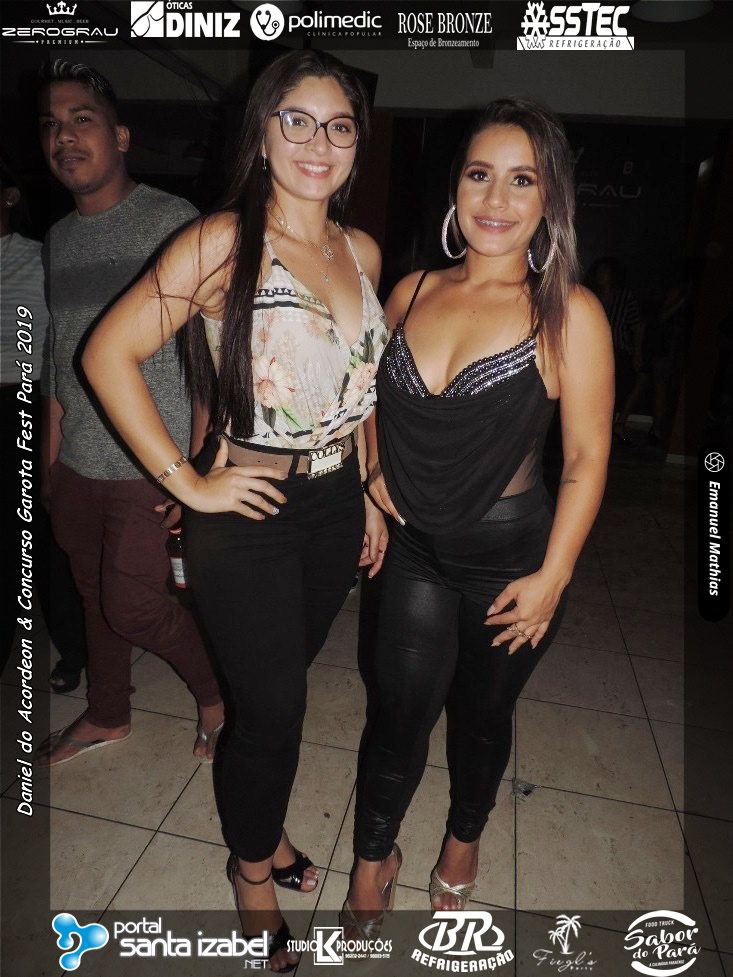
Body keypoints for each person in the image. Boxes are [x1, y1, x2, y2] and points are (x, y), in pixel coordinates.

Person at [82, 50, 390, 972]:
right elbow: (105, 353)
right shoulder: (223, 240)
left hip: (334, 505)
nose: (318, 142)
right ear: (261, 132)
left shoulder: (362, 250)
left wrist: (370, 488)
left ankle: (266, 826)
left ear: (356, 145)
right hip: (247, 506)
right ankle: (251, 874)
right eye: (296, 120)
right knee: (275, 711)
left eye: (339, 126)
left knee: (272, 697)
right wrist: (186, 480)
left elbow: (363, 388)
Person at [343, 97, 613, 933]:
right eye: (479, 174)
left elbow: (586, 457)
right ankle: (371, 857)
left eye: (521, 180)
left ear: (549, 199)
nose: (495, 199)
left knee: (481, 716)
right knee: (396, 711)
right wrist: (372, 474)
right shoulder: (410, 289)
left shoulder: (568, 313)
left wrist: (553, 576)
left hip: (511, 557)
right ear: (455, 188)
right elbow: (366, 396)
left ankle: (461, 843)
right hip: (413, 549)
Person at [35, 60, 225, 765]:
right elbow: (61, 360)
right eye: (51, 125)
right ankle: (108, 712)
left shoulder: (173, 224)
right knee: (94, 599)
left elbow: (207, 367)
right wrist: (50, 465)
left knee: (134, 604)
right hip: (77, 466)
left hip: (152, 464)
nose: (64, 136)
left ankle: (217, 697)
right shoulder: (56, 239)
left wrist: (194, 472)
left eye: (81, 119)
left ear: (120, 137)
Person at [0, 152, 87, 689]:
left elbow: (63, 343)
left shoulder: (39, 257)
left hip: (25, 402)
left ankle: (72, 648)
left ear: (9, 196)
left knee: (43, 533)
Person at [585, 256, 644, 443]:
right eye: (599, 271)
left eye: (605, 271)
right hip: (593, 352)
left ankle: (612, 428)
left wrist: (637, 353)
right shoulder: (590, 296)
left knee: (616, 390)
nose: (601, 275)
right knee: (593, 391)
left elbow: (637, 326)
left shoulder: (625, 297)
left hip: (619, 350)